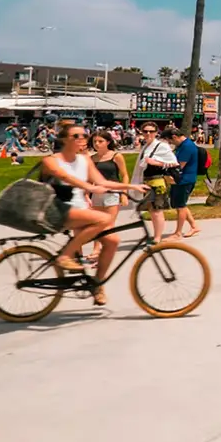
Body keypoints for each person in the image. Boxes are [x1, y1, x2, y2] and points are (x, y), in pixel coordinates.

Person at [40, 122, 148, 305]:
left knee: (113, 241)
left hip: (79, 209)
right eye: (76, 136)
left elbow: (102, 181)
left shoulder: (85, 160)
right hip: (57, 209)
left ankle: (97, 285)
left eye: (84, 135)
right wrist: (88, 187)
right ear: (65, 140)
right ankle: (65, 256)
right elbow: (66, 177)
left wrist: (129, 187)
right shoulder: (51, 160)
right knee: (103, 219)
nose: (82, 139)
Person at [133, 124, 179, 244]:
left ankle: (157, 237)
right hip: (147, 181)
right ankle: (156, 235)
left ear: (156, 132)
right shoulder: (146, 146)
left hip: (157, 181)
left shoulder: (162, 146)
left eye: (151, 131)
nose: (148, 134)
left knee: (157, 210)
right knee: (152, 210)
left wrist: (155, 162)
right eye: (145, 131)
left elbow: (173, 162)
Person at [87, 130, 128, 262]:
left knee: (109, 224)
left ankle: (105, 251)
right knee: (97, 223)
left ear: (108, 142)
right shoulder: (92, 159)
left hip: (113, 193)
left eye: (100, 141)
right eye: (95, 142)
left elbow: (124, 175)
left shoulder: (116, 156)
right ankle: (96, 249)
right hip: (97, 193)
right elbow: (89, 179)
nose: (97, 144)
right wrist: (87, 195)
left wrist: (124, 193)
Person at [163, 126, 202, 239]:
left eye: (170, 140)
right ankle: (194, 226)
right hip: (180, 180)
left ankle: (178, 232)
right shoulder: (182, 146)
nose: (170, 143)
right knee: (181, 205)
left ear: (174, 137)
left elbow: (179, 166)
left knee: (180, 206)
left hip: (184, 180)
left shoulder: (187, 147)